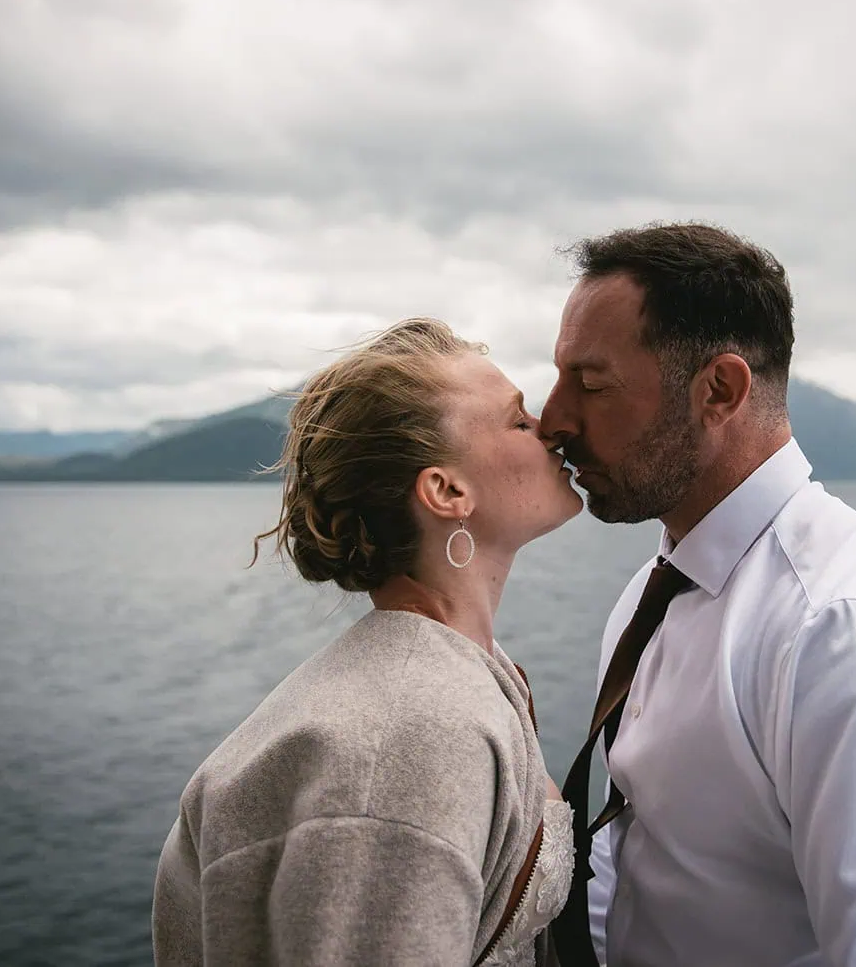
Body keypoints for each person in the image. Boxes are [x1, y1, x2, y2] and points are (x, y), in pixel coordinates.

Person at [539, 223, 856, 966]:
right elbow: (648, 866)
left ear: (720, 391)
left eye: (592, 383)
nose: (553, 420)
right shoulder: (658, 590)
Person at [152, 317, 583, 966]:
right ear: (446, 491)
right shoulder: (412, 728)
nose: (551, 429)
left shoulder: (456, 678)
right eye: (518, 421)